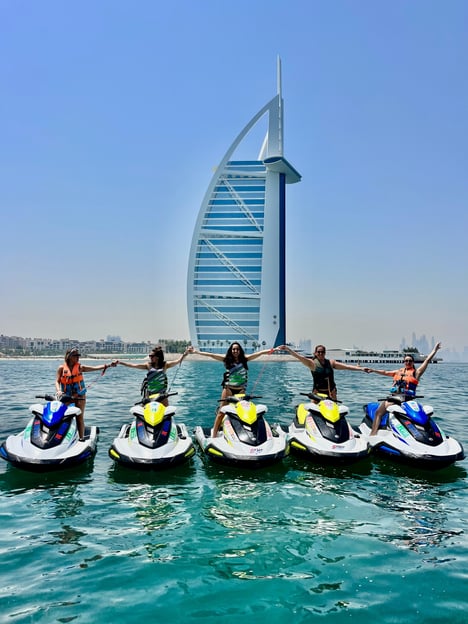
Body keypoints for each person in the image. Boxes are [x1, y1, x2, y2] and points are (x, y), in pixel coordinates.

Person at [191, 342, 273, 437]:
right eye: (233, 349)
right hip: (229, 389)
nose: (235, 351)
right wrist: (196, 352)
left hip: (241, 390)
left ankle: (242, 435)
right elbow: (211, 355)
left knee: (242, 412)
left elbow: (259, 353)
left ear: (240, 350)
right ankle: (214, 435)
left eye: (237, 349)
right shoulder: (227, 360)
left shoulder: (244, 360)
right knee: (221, 412)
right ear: (231, 350)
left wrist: (272, 350)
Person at [367, 342, 442, 436]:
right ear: (404, 362)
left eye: (410, 361)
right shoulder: (398, 372)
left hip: (406, 399)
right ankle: (373, 434)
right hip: (394, 398)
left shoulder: (416, 373)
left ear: (413, 362)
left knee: (381, 411)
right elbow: (385, 372)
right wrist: (374, 370)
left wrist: (435, 350)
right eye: (406, 361)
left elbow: (427, 360)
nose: (408, 362)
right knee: (378, 413)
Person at [55, 347, 117, 440]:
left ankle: (81, 438)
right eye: (75, 355)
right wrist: (58, 391)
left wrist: (108, 365)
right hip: (66, 396)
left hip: (79, 395)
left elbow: (95, 368)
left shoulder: (80, 367)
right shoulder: (61, 368)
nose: (78, 357)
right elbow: (57, 381)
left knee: (79, 417)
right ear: (69, 356)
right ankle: (58, 437)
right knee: (61, 416)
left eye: (78, 355)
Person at [278, 344, 371, 400]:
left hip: (331, 392)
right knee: (313, 413)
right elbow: (299, 357)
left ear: (325, 353)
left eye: (322, 352)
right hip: (317, 392)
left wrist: (361, 369)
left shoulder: (331, 363)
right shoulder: (312, 363)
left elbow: (347, 367)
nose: (320, 354)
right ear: (315, 353)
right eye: (318, 352)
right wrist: (288, 349)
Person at [117, 345, 193, 405]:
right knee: (145, 413)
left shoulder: (165, 365)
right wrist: (120, 362)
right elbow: (133, 365)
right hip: (149, 394)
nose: (150, 357)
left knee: (166, 414)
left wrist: (185, 354)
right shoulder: (148, 365)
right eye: (149, 356)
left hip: (162, 395)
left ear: (157, 357)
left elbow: (178, 361)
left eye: (151, 356)